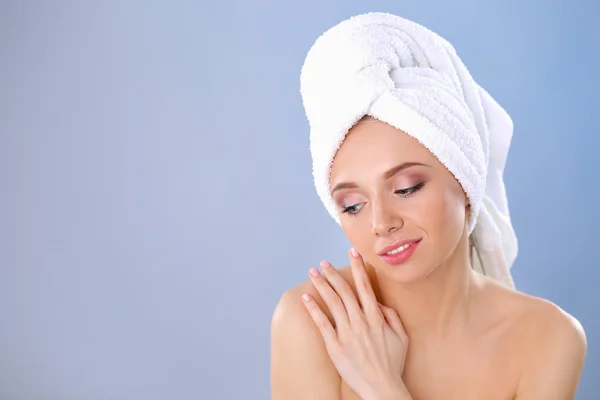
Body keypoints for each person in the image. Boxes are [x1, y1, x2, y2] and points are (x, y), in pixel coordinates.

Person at [270, 12, 587, 400]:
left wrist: (382, 387)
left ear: (464, 177)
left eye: (406, 188)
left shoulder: (547, 339)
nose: (381, 223)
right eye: (353, 205)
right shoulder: (314, 322)